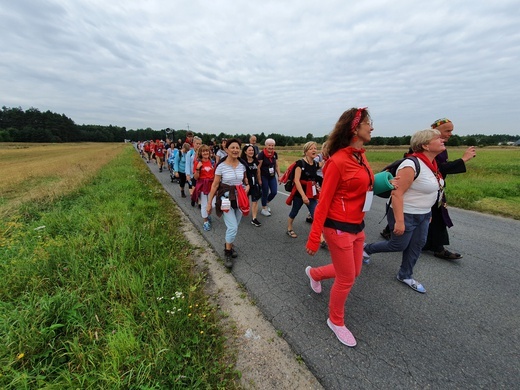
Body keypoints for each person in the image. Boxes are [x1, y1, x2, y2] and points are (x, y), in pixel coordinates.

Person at [304, 107, 375, 347]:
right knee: (346, 278)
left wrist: (386, 183)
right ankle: (335, 321)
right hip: (338, 227)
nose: (372, 127)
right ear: (354, 128)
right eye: (368, 123)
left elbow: (363, 186)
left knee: (354, 271)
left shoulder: (360, 156)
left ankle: (314, 273)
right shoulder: (337, 162)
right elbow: (322, 203)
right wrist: (314, 237)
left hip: (357, 226)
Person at [363, 128, 447, 294]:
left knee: (417, 244)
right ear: (425, 145)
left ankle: (405, 275)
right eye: (438, 138)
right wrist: (399, 221)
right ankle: (366, 249)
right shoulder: (411, 164)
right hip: (405, 213)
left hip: (424, 214)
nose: (443, 140)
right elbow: (397, 193)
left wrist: (427, 213)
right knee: (398, 244)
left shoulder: (433, 164)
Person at [423, 118, 476, 259]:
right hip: (425, 188)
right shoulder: (427, 145)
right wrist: (463, 160)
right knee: (420, 214)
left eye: (451, 130)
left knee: (435, 216)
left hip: (435, 187)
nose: (451, 134)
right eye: (448, 130)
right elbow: (439, 168)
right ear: (435, 131)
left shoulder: (440, 146)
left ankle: (434, 245)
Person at [207, 138, 250, 268]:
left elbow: (245, 180)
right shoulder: (221, 166)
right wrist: (210, 203)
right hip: (225, 198)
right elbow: (214, 185)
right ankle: (227, 252)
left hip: (240, 198)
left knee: (234, 225)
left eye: (237, 148)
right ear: (226, 149)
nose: (235, 150)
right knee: (232, 227)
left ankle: (229, 245)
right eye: (233, 147)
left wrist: (247, 186)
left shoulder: (242, 165)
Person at [285, 141, 321, 239]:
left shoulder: (316, 164)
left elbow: (326, 163)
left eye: (315, 148)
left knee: (316, 214)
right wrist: (303, 196)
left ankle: (321, 237)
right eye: (311, 149)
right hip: (299, 194)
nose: (314, 150)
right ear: (305, 152)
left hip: (311, 194)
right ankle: (289, 228)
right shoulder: (300, 164)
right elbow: (296, 180)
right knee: (294, 211)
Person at [193, 145, 216, 231]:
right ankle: (205, 222)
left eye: (207, 151)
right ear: (200, 153)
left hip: (211, 185)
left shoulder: (212, 162)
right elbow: (195, 177)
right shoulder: (198, 162)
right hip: (202, 185)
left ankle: (208, 214)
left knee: (212, 204)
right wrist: (198, 169)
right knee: (204, 204)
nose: (206, 153)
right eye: (203, 151)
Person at [257, 138, 281, 216]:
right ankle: (264, 208)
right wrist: (259, 179)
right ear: (266, 145)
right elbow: (258, 167)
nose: (271, 147)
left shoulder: (275, 154)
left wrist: (279, 176)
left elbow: (276, 165)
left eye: (272, 145)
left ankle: (266, 202)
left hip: (272, 176)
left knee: (274, 192)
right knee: (265, 191)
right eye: (269, 145)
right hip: (264, 176)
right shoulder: (262, 154)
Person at [241, 144, 262, 227]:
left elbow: (258, 171)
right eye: (249, 150)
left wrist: (259, 180)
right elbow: (243, 172)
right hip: (245, 183)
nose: (251, 152)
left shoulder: (255, 161)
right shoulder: (242, 161)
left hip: (254, 183)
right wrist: (245, 182)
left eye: (252, 150)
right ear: (245, 152)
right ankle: (240, 211)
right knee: (244, 200)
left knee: (255, 201)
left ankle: (254, 218)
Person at [185, 136, 203, 203]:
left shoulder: (202, 153)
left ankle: (199, 201)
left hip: (200, 174)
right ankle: (195, 198)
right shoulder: (190, 153)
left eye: (200, 144)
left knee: (199, 188)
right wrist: (187, 174)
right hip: (192, 173)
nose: (198, 145)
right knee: (194, 187)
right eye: (197, 143)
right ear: (193, 144)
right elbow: (187, 164)